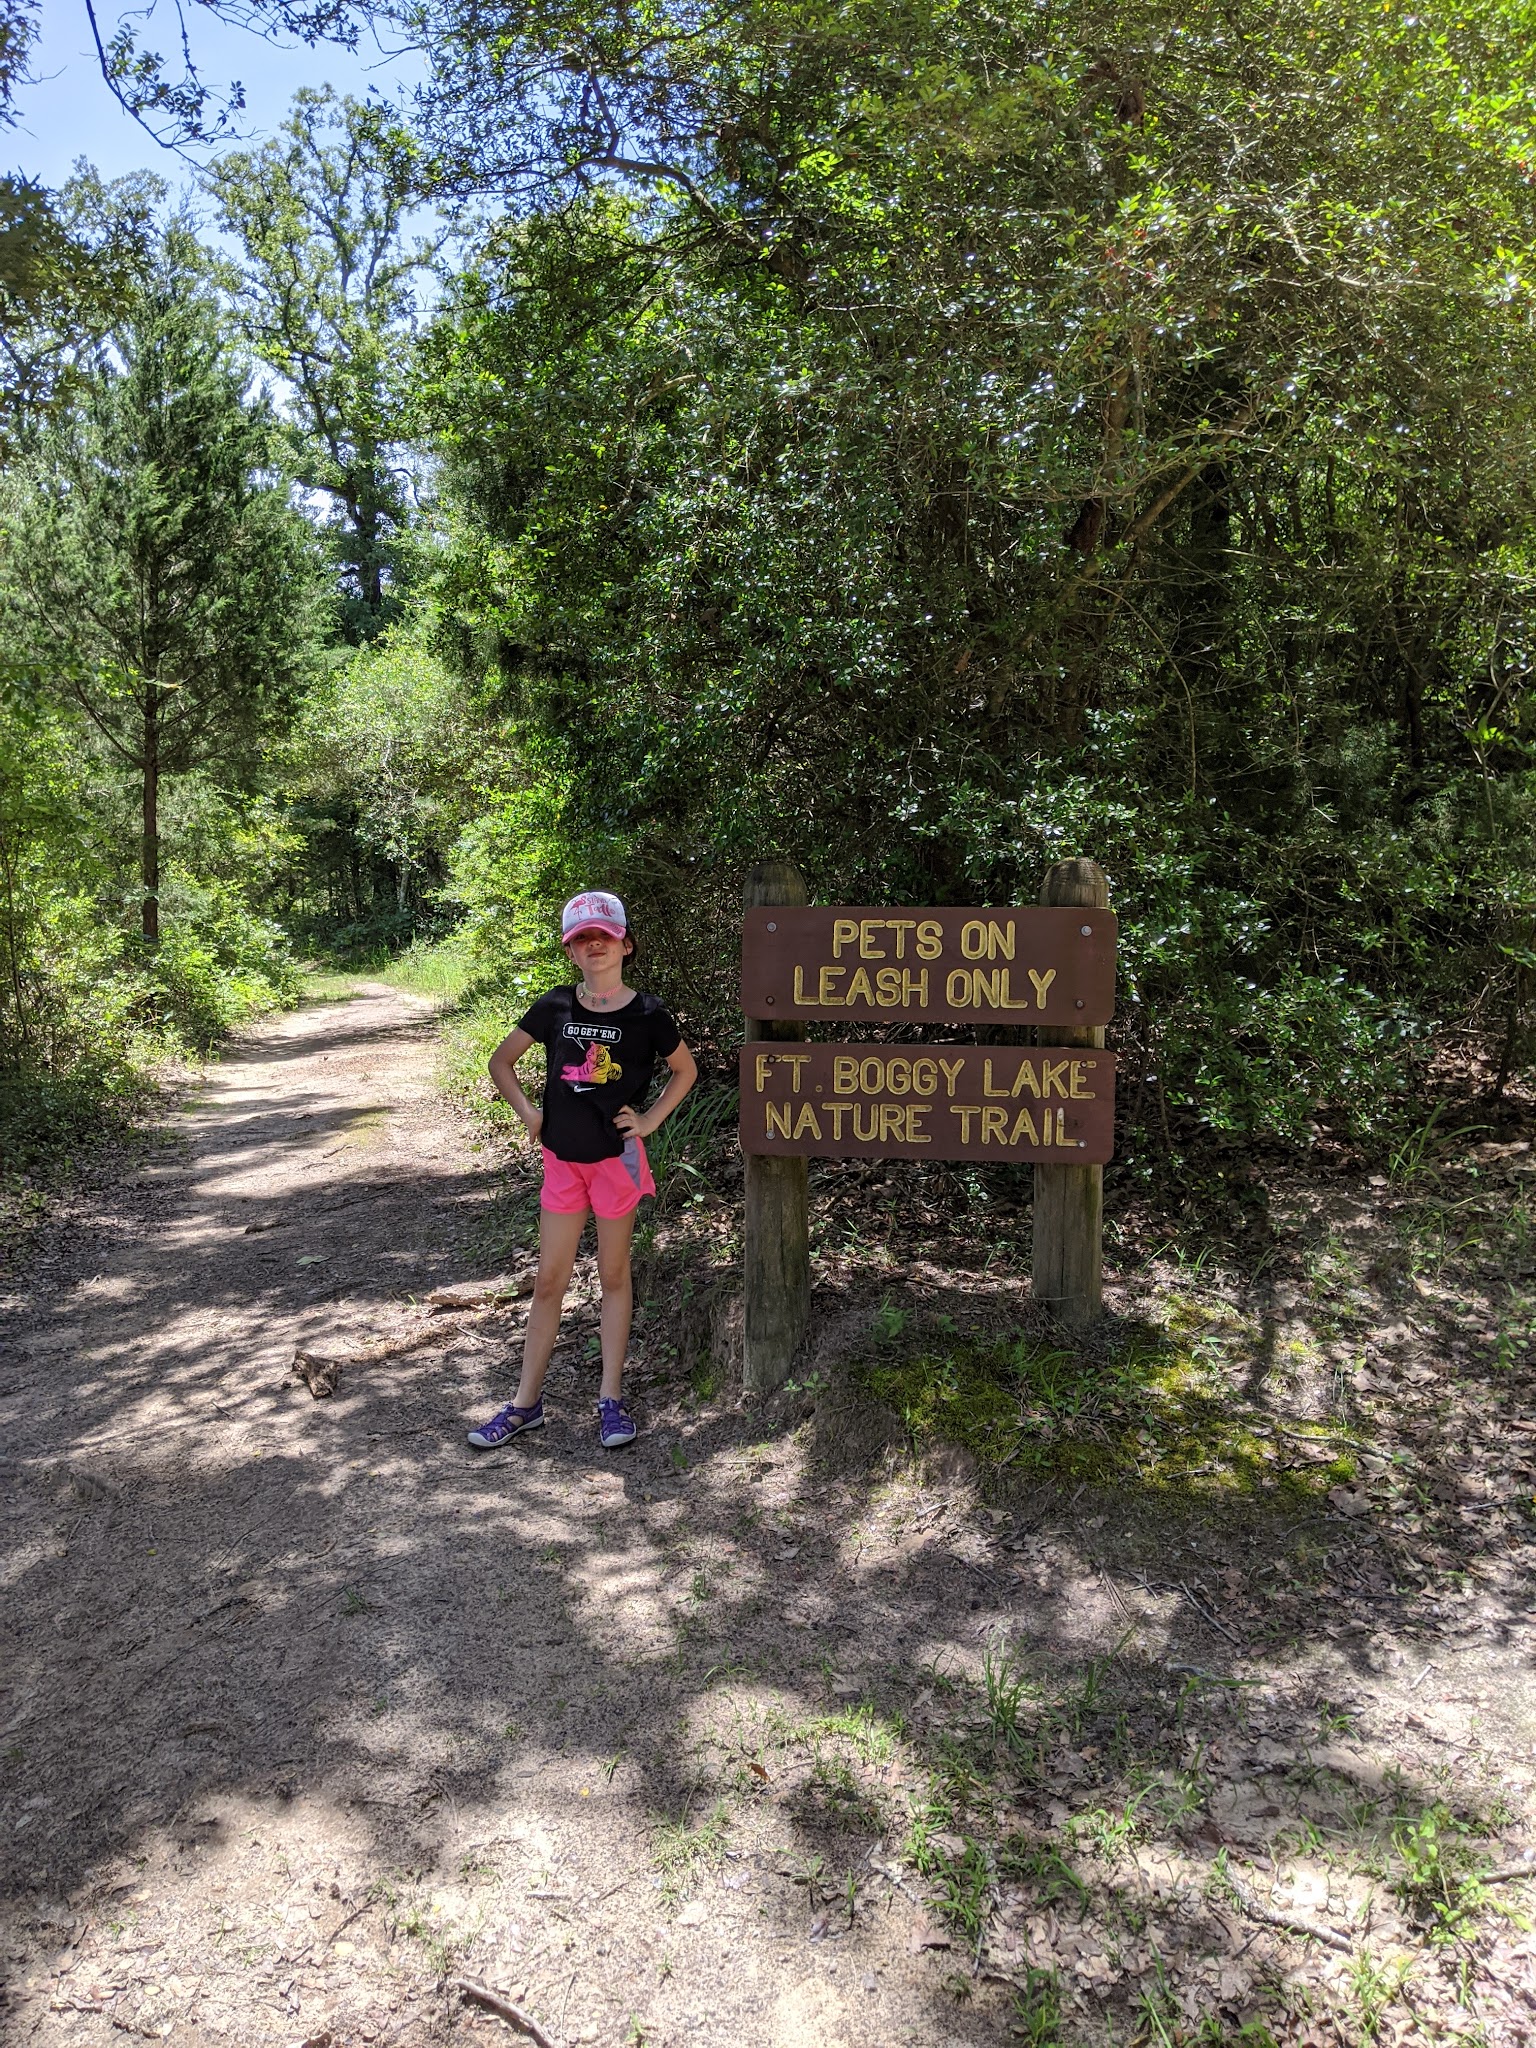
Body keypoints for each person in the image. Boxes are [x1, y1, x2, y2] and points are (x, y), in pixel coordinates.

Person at [468, 890, 698, 1452]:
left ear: (626, 944)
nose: (595, 945)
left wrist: (649, 1120)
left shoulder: (648, 1013)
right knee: (550, 1281)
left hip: (615, 1163)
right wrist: (530, 1114)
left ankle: (610, 1400)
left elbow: (685, 1070)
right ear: (571, 951)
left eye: (605, 936)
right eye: (582, 939)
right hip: (562, 1163)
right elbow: (501, 1062)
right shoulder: (555, 1006)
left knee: (614, 1277)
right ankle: (526, 1405)